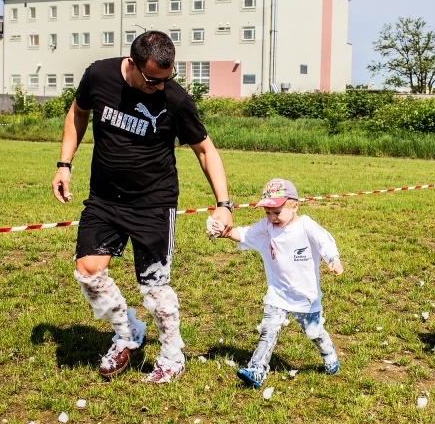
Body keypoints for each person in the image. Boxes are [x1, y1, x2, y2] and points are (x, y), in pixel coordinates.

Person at [51, 31, 234, 384]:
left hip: (154, 202)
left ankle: (172, 355)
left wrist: (223, 204)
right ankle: (128, 332)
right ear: (132, 64)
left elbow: (205, 150)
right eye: (152, 79)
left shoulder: (176, 100)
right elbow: (78, 112)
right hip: (104, 198)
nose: (160, 86)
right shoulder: (99, 75)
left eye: (168, 78)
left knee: (154, 287)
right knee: (88, 270)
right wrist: (64, 164)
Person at [209, 178, 343, 388]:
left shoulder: (306, 226)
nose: (271, 218)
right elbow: (244, 234)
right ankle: (256, 370)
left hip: (305, 296)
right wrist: (222, 231)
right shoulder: (267, 227)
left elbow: (325, 241)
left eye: (277, 212)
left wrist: (333, 260)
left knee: (314, 333)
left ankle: (328, 353)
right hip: (278, 293)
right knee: (268, 330)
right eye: (267, 213)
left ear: (295, 206)